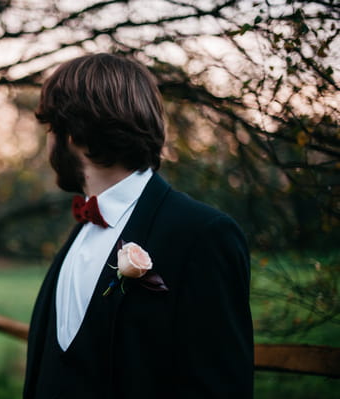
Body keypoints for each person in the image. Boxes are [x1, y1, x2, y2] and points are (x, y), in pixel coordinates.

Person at [23, 53, 253, 399]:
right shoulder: (79, 232)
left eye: (50, 128)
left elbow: (220, 386)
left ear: (72, 132)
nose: (48, 141)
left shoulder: (204, 234)